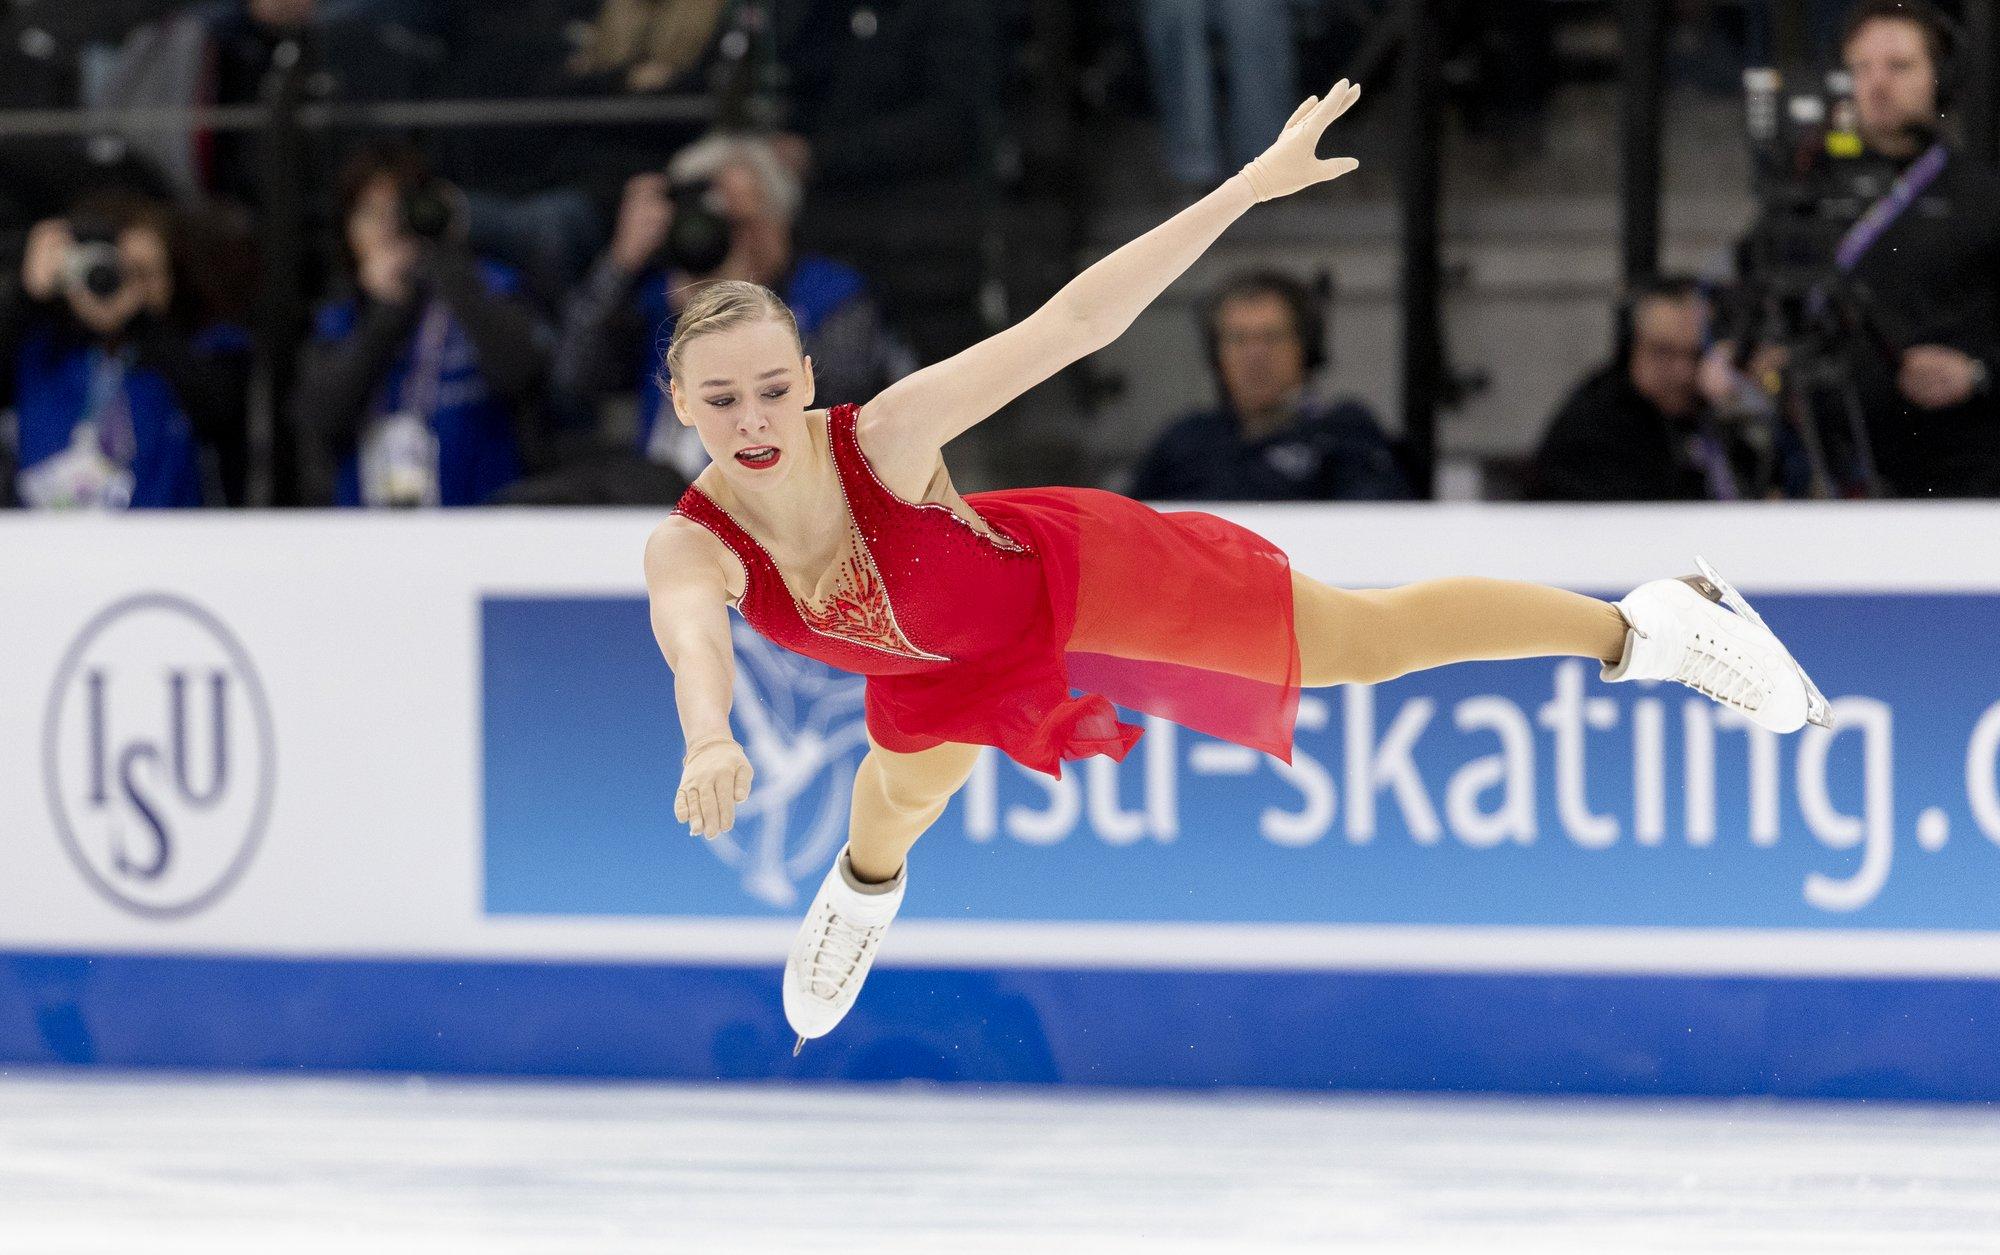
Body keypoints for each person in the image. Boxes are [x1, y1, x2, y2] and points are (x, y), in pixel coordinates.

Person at [641, 81, 1829, 1054]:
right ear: (680, 404)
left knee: (1362, 645)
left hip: (1065, 576)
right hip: (941, 656)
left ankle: (1650, 628)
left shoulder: (883, 440)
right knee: (898, 795)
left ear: (806, 377)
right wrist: (708, 736)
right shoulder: (691, 540)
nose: (752, 417)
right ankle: (857, 895)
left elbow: (1069, 327)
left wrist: (1248, 188)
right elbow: (694, 632)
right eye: (720, 398)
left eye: (772, 386)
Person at [1703, 0, 2000, 497]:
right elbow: (1746, 287)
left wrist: (1978, 373)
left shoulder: (1982, 197)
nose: (1877, 84)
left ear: (1943, 78)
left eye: (1899, 66)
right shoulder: (1803, 187)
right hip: (1820, 478)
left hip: (1958, 483)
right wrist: (1733, 353)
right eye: (1861, 68)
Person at [555, 133, 913, 480]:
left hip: (784, 498)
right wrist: (620, 264)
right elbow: (575, 379)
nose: (722, 240)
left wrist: (741, 310)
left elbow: (837, 398)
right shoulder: (659, 295)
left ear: (777, 222)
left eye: (737, 224)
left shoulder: (832, 294)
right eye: (707, 223)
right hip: (658, 500)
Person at [294, 146, 549, 507]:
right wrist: (383, 313)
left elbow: (525, 375)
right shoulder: (339, 316)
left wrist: (447, 270)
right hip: (369, 532)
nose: (388, 229)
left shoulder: (488, 286)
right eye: (370, 214)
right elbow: (321, 419)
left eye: (400, 211)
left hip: (486, 526)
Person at [2, 193, 247, 509]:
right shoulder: (39, 351)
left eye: (146, 273)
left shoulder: (203, 349)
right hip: (51, 551)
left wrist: (139, 319)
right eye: (113, 270)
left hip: (162, 547)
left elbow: (221, 413)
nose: (127, 284)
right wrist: (26, 295)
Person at [1129, 269, 1408, 501]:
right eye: (1238, 339)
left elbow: (1378, 527)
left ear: (1306, 348)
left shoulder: (1345, 433)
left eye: (1271, 337)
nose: (1255, 355)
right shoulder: (1183, 441)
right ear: (1216, 354)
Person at [1533, 276, 1773, 501]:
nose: (1682, 373)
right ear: (1631, 348)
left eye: (1696, 354)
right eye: (1663, 352)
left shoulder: (1707, 412)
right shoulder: (1594, 429)